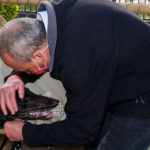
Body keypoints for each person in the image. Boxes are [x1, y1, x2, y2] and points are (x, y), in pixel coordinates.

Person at [1, 0, 150, 149]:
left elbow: (81, 130)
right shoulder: (53, 21)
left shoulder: (78, 61)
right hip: (117, 71)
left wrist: (25, 133)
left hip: (143, 93)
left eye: (27, 70)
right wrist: (16, 77)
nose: (28, 73)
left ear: (39, 56)